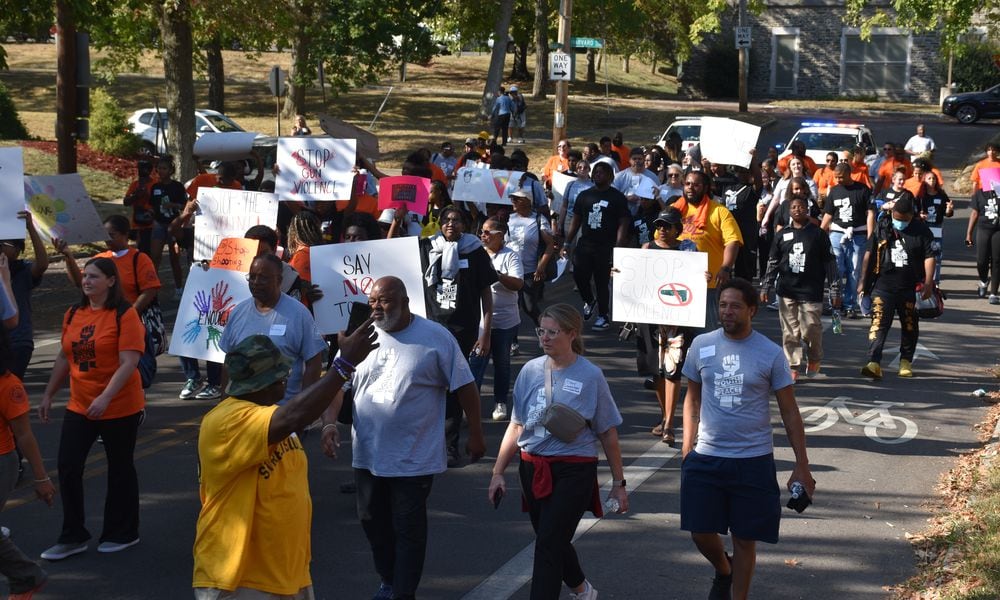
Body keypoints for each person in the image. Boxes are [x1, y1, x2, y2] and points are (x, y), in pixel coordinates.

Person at [192, 326, 377, 600]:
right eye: (280, 375)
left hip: (286, 574)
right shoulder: (225, 421)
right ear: (261, 384)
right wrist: (343, 365)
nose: (286, 379)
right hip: (239, 578)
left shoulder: (270, 416)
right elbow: (296, 415)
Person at [330, 276, 485, 600]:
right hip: (368, 454)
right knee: (371, 521)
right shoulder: (360, 336)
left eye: (384, 301)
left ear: (405, 303)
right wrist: (330, 424)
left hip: (414, 457)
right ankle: (389, 579)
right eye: (372, 301)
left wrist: (477, 435)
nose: (376, 307)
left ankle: (403, 593)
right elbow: (337, 383)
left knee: (407, 529)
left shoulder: (435, 337)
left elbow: (465, 386)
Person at [680, 278, 814, 600]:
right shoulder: (701, 345)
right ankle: (723, 570)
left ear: (752, 310)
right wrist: (687, 446)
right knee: (699, 532)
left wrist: (802, 465)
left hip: (752, 460)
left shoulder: (769, 353)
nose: (727, 311)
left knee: (744, 538)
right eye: (723, 305)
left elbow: (790, 412)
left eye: (735, 306)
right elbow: (692, 398)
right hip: (706, 455)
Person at [488, 303, 627, 600]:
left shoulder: (591, 375)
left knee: (549, 543)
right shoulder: (529, 370)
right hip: (532, 466)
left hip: (574, 469)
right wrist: (498, 472)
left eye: (553, 332)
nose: (545, 338)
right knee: (552, 538)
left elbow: (607, 431)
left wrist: (618, 484)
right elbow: (516, 426)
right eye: (541, 331)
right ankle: (582, 589)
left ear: (572, 334)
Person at [38, 257, 146, 560]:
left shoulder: (125, 315)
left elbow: (129, 362)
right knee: (69, 465)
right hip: (80, 403)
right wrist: (48, 395)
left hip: (120, 405)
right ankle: (73, 535)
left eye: (94, 277)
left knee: (120, 467)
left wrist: (106, 397)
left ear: (111, 281)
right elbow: (64, 356)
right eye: (85, 277)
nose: (87, 281)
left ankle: (123, 532)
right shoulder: (73, 313)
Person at [420, 207, 497, 466]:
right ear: (440, 224)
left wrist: (485, 333)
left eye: (457, 220)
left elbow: (486, 294)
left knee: (454, 389)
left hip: (462, 332)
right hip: (430, 329)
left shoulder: (475, 252)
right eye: (446, 220)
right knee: (428, 388)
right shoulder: (425, 247)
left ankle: (450, 447)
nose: (451, 224)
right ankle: (426, 445)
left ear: (465, 224)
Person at [219, 254, 327, 404]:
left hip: (284, 416)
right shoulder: (238, 313)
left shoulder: (299, 314)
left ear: (279, 280)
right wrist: (224, 404)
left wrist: (303, 408)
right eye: (252, 277)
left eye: (263, 278)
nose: (256, 282)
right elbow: (228, 363)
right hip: (242, 415)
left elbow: (314, 363)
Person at [760, 196, 841, 381]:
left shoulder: (818, 234)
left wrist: (835, 290)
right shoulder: (782, 235)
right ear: (789, 211)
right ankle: (792, 365)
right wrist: (766, 286)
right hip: (787, 291)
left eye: (801, 207)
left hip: (811, 291)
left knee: (811, 329)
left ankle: (814, 357)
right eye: (794, 207)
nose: (797, 210)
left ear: (807, 209)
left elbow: (830, 263)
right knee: (790, 331)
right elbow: (772, 262)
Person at [0, 326, 55, 599]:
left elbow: (24, 435)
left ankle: (26, 577)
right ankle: (26, 577)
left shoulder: (9, 385)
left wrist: (41, 478)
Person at [857, 194, 934, 378]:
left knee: (909, 325)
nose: (899, 223)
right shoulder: (882, 226)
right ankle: (874, 362)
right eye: (896, 218)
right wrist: (862, 281)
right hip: (883, 286)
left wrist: (929, 283)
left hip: (910, 287)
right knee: (878, 324)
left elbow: (929, 256)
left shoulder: (921, 230)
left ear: (911, 216)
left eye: (904, 220)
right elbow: (869, 253)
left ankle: (905, 362)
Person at [641, 209, 699, 445]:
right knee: (656, 371)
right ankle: (665, 416)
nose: (663, 229)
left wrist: (701, 277)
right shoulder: (646, 249)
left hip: (677, 319)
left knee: (672, 370)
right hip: (651, 318)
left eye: (668, 225)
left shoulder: (688, 249)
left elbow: (694, 280)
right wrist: (619, 273)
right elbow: (637, 278)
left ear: (678, 228)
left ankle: (669, 424)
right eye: (659, 225)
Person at [561, 161, 630, 331]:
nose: (598, 174)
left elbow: (624, 222)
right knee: (579, 275)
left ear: (610, 176)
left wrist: (619, 246)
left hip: (605, 246)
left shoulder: (617, 197)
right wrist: (567, 242)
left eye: (602, 172)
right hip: (585, 243)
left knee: (601, 281)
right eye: (596, 172)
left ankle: (603, 316)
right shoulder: (585, 195)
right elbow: (576, 220)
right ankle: (589, 300)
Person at [675, 170, 743, 331]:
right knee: (676, 337)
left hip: (707, 285)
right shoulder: (674, 210)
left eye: (696, 185)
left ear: (705, 188)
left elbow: (733, 241)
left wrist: (725, 268)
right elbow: (659, 240)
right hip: (676, 283)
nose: (691, 188)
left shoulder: (719, 212)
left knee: (705, 334)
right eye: (688, 184)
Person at [471, 217, 523, 421]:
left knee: (502, 363)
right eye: (481, 232)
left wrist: (497, 275)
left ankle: (500, 402)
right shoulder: (476, 254)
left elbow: (518, 284)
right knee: (475, 364)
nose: (483, 236)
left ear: (500, 236)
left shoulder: (511, 256)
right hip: (480, 322)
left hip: (504, 322)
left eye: (487, 233)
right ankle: (471, 407)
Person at [820, 163, 875, 319]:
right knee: (836, 268)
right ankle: (834, 303)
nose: (838, 180)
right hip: (837, 233)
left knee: (854, 270)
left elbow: (870, 214)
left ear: (848, 174)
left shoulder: (863, 190)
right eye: (836, 177)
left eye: (841, 177)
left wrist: (871, 237)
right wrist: (819, 233)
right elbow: (828, 215)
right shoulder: (835, 191)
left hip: (858, 235)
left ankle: (849, 304)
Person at [506, 185, 557, 349]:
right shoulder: (508, 218)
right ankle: (512, 341)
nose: (513, 201)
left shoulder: (538, 220)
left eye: (517, 199)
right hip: (511, 270)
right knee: (512, 306)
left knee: (529, 306)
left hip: (530, 271)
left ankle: (544, 331)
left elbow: (550, 245)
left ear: (527, 202)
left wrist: (541, 267)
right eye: (512, 198)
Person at [1, 211, 48, 379]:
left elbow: (42, 264)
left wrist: (30, 227)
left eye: (3, 244)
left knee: (9, 387)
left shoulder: (22, 271)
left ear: (17, 251)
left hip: (18, 342)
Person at [148, 155, 186, 296]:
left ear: (171, 170)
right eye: (159, 168)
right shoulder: (155, 187)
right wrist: (150, 213)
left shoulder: (177, 186)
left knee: (174, 258)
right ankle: (152, 287)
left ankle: (178, 288)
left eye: (164, 168)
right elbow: (153, 205)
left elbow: (184, 205)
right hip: (159, 223)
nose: (160, 171)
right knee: (155, 256)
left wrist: (173, 205)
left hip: (174, 225)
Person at [965, 181, 1000, 302]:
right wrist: (969, 234)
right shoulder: (979, 194)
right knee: (981, 260)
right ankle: (984, 281)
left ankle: (994, 293)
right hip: (983, 228)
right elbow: (974, 213)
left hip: (998, 230)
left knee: (997, 260)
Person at [917, 170, 953, 286]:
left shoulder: (941, 195)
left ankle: (935, 282)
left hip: (936, 228)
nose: (932, 181)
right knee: (922, 255)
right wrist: (920, 215)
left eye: (934, 179)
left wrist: (949, 210)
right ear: (924, 181)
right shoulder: (920, 196)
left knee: (936, 255)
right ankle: (922, 280)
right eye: (929, 178)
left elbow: (948, 213)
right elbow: (914, 212)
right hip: (923, 227)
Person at [122, 159, 156, 256]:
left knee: (148, 250)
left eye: (144, 169)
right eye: (140, 168)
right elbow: (126, 202)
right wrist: (136, 195)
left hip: (151, 222)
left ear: (150, 170)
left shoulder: (155, 184)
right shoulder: (135, 184)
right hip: (137, 222)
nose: (141, 171)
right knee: (141, 250)